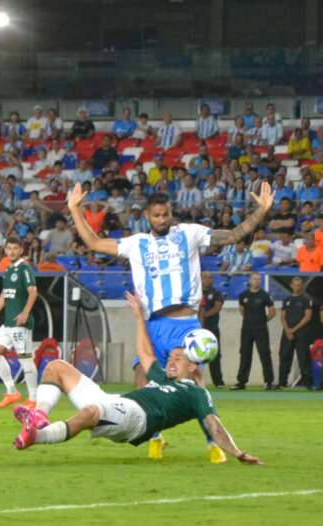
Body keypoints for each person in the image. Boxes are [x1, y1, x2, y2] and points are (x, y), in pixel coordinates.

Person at [66, 182, 275, 462]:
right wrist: (74, 208)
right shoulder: (136, 243)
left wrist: (261, 210)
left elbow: (234, 235)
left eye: (165, 214)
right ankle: (155, 437)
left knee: (194, 381)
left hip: (185, 323)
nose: (162, 220)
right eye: (156, 215)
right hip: (153, 325)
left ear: (171, 213)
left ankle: (213, 442)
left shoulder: (189, 234)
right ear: (148, 217)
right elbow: (92, 243)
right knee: (143, 379)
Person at [11, 292, 262, 466]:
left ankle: (38, 437)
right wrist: (139, 317)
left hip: (137, 420)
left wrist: (238, 453)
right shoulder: (162, 377)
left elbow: (214, 426)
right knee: (56, 367)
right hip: (119, 402)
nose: (171, 361)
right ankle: (39, 416)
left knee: (90, 413)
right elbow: (145, 353)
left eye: (178, 358)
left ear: (193, 365)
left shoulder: (196, 393)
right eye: (171, 357)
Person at [0, 237, 39, 409]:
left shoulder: (24, 268)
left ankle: (33, 398)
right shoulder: (7, 269)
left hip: (19, 323)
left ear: (21, 250)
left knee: (25, 359)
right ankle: (12, 392)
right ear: (5, 250)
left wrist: (25, 312)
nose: (12, 251)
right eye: (9, 248)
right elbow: (4, 294)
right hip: (7, 323)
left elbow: (33, 292)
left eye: (15, 248)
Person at [233, 272, 276, 391]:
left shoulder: (264, 295)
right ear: (250, 280)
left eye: (259, 279)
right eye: (255, 279)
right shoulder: (243, 295)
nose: (257, 281)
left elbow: (272, 312)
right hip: (246, 329)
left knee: (265, 355)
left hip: (261, 330)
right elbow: (242, 310)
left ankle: (268, 382)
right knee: (245, 355)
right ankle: (241, 382)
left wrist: (262, 320)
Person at [276, 276, 315, 389]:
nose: (297, 287)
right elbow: (282, 316)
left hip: (301, 333)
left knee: (303, 357)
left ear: (301, 286)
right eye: (295, 284)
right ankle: (282, 382)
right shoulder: (287, 300)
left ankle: (308, 383)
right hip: (287, 333)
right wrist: (288, 330)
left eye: (299, 285)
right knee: (284, 357)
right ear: (291, 285)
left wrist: (294, 329)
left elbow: (308, 316)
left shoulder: (306, 299)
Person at [198, 272, 225, 387]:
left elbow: (217, 308)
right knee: (196, 354)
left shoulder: (216, 293)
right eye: (206, 277)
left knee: (215, 355)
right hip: (197, 329)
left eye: (210, 277)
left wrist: (204, 316)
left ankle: (218, 382)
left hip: (212, 328)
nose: (209, 280)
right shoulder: (196, 292)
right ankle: (196, 381)